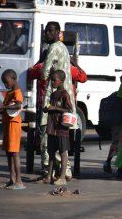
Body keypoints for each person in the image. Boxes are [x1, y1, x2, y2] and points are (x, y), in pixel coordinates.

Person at [28, 54, 87, 177]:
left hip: (49, 110)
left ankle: (49, 170)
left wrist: (40, 60)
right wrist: (74, 63)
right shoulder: (69, 68)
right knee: (56, 144)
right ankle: (62, 170)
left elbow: (30, 73)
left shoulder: (42, 67)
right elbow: (83, 76)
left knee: (47, 141)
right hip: (52, 111)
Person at [40, 22, 77, 180]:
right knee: (61, 137)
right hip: (66, 92)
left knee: (48, 135)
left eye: (50, 31)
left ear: (57, 33)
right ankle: (65, 170)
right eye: (46, 31)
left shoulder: (54, 47)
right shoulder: (63, 47)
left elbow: (44, 72)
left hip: (53, 95)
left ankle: (51, 170)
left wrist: (43, 70)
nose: (47, 34)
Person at [42, 70, 73, 186]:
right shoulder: (54, 94)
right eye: (51, 80)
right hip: (52, 128)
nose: (52, 82)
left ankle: (62, 177)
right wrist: (47, 109)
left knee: (63, 152)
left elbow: (69, 110)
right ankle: (49, 176)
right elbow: (51, 108)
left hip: (61, 129)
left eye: (54, 80)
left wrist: (54, 108)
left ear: (62, 81)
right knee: (51, 153)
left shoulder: (65, 94)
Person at [0, 69, 25, 189]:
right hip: (8, 124)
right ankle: (12, 179)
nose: (5, 84)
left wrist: (3, 106)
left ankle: (19, 181)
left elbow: (18, 105)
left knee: (15, 153)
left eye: (6, 82)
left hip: (14, 124)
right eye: (4, 82)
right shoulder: (9, 93)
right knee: (9, 153)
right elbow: (6, 109)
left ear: (13, 79)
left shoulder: (17, 92)